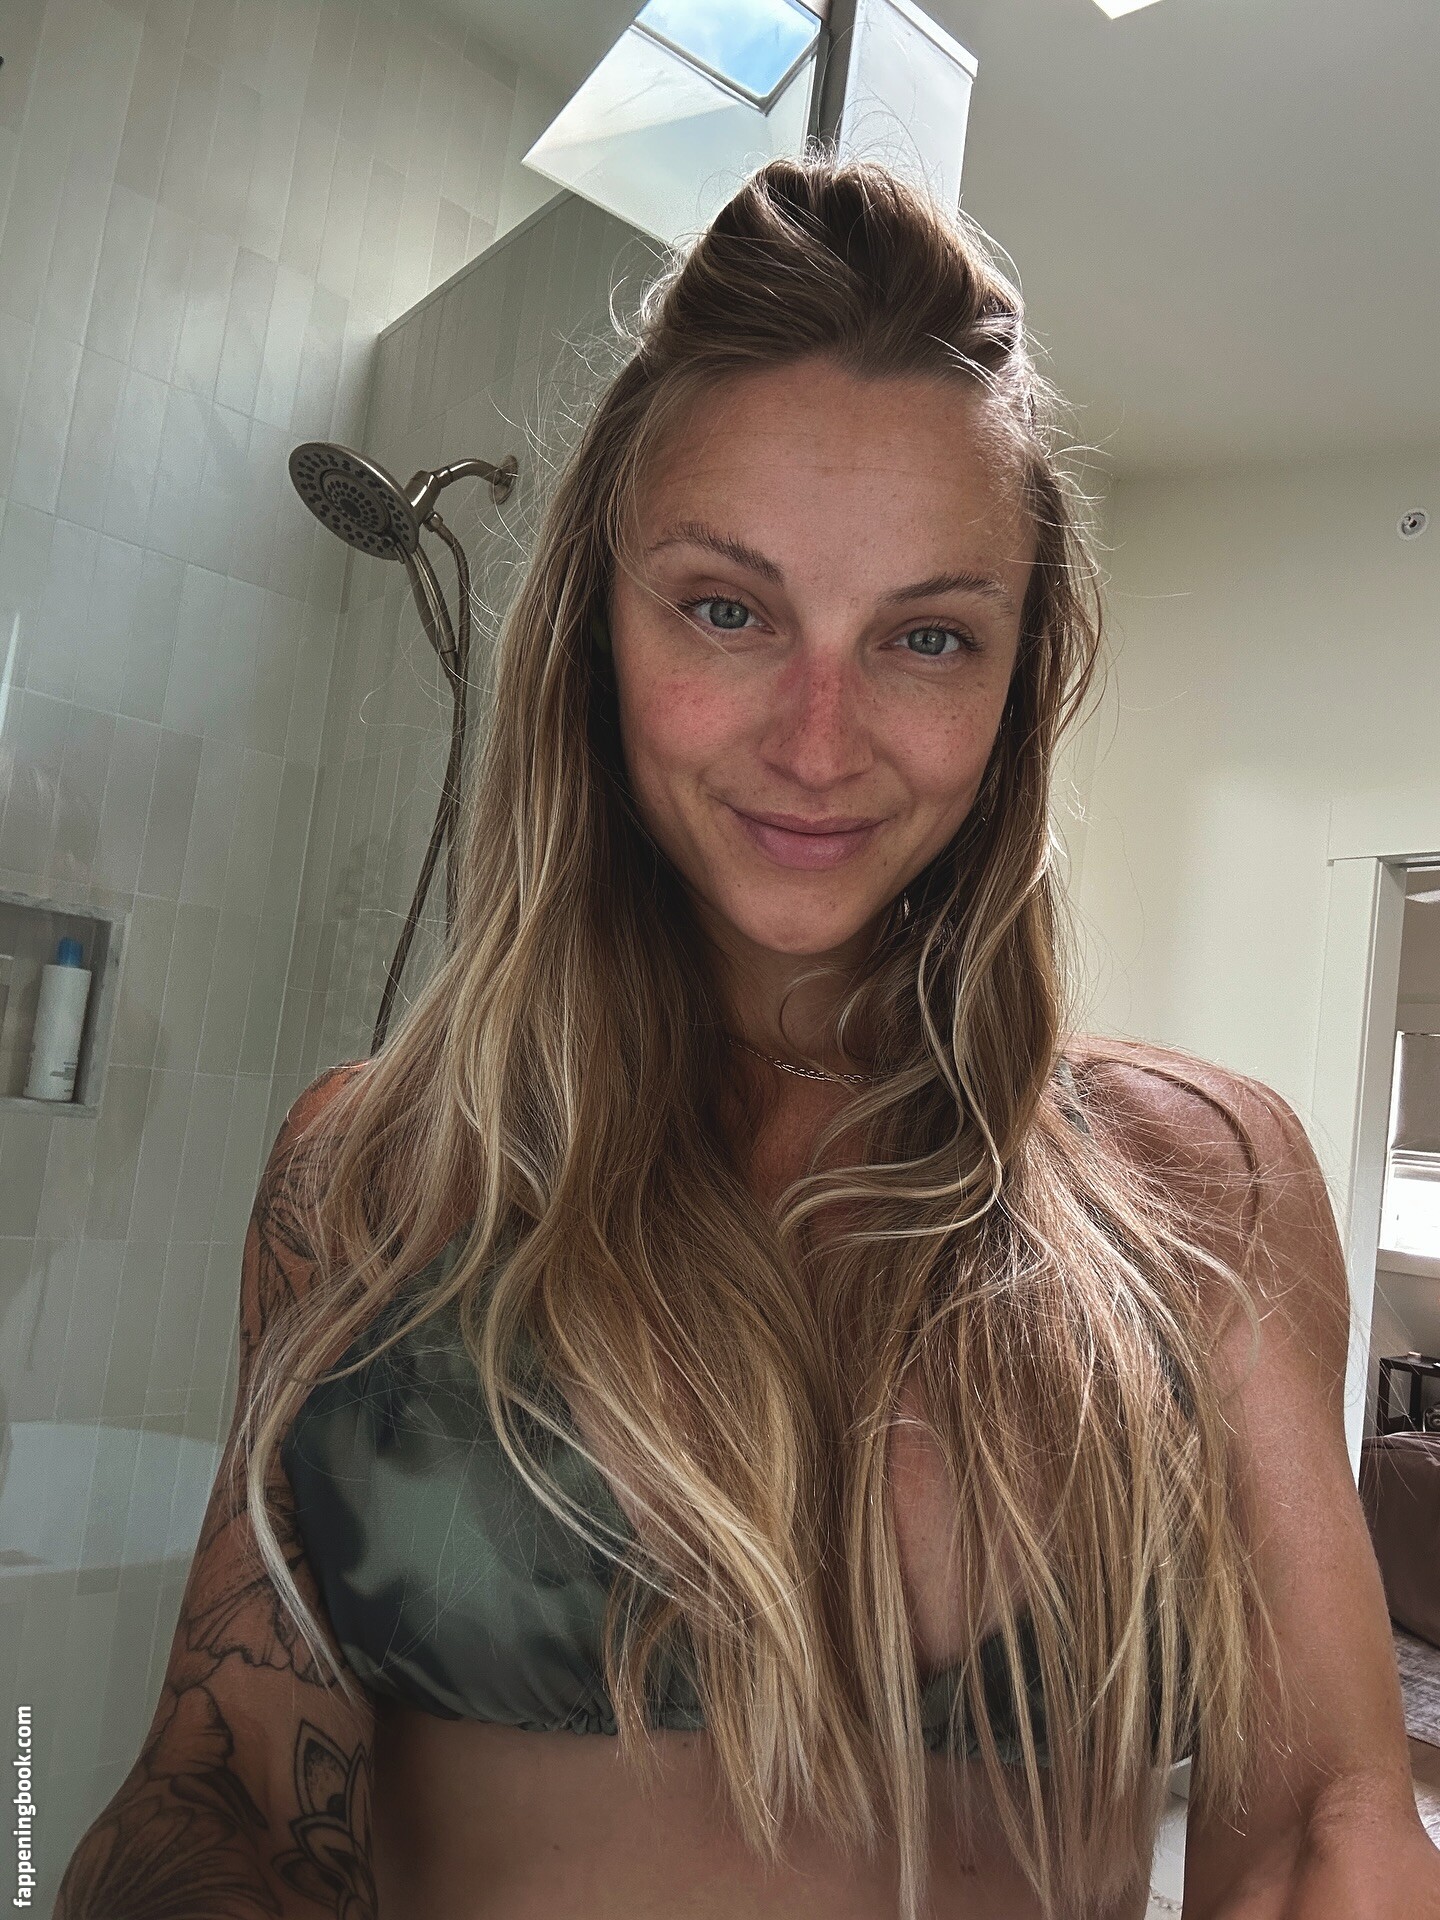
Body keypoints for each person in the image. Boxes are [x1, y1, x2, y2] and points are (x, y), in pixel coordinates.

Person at [57, 154, 1437, 1920]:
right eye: (728, 608)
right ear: (595, 631)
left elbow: (1332, 1820)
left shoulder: (1201, 1183)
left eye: (926, 636)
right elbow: (224, 1776)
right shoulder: (376, 1171)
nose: (818, 739)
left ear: (1018, 686)